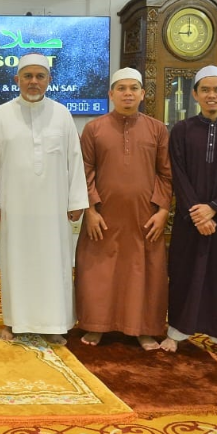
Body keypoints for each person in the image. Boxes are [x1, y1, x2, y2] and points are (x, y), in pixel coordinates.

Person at [0, 52, 87, 345]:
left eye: (39, 76)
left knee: (53, 262)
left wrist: (76, 200)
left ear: (49, 80)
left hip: (53, 206)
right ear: (16, 79)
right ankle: (15, 322)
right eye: (27, 76)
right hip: (14, 206)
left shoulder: (62, 114)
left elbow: (74, 159)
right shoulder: (0, 115)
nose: (33, 82)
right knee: (15, 261)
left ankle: (54, 322)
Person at [74, 68, 172, 350]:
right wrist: (91, 209)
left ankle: (144, 328)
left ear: (142, 94)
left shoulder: (157, 129)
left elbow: (166, 174)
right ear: (111, 94)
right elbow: (85, 170)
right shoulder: (94, 128)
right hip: (103, 217)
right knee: (99, 271)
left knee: (144, 272)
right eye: (121, 88)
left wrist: (163, 210)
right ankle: (96, 326)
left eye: (133, 88)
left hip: (145, 217)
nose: (127, 93)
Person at [161, 65, 217, 361]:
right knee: (184, 272)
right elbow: (179, 174)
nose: (211, 95)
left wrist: (215, 209)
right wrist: (197, 212)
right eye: (205, 90)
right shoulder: (182, 131)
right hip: (191, 218)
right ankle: (176, 333)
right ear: (196, 95)